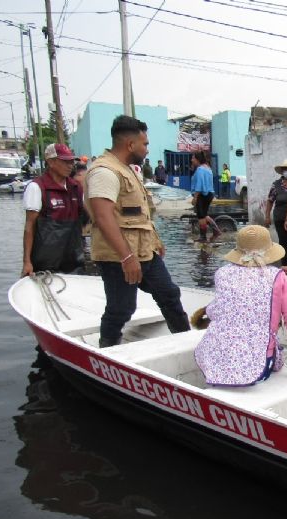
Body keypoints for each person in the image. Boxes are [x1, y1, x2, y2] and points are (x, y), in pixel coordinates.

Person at [86, 115, 190, 348]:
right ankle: (109, 350)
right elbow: (103, 217)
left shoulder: (128, 170)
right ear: (130, 145)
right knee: (121, 308)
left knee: (169, 294)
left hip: (145, 251)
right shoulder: (105, 171)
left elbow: (137, 214)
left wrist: (155, 240)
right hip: (118, 256)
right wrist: (126, 257)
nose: (146, 149)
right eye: (145, 144)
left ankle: (187, 342)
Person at [195, 225, 287, 386]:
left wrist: (277, 275)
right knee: (275, 353)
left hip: (213, 357)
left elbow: (215, 311)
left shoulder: (222, 273)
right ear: (269, 251)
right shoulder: (279, 277)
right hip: (257, 365)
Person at [21, 142, 86, 277]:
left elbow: (85, 218)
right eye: (65, 162)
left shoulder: (76, 188)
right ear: (51, 162)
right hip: (44, 263)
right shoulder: (37, 187)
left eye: (71, 162)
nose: (70, 166)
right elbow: (29, 226)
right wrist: (27, 261)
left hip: (73, 261)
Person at [265, 158, 287, 266]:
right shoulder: (276, 185)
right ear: (282, 171)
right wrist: (267, 217)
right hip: (280, 218)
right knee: (284, 241)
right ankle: (285, 265)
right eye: (286, 169)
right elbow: (270, 201)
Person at [190, 151, 221, 242]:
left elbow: (199, 185)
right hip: (209, 194)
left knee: (201, 216)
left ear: (197, 159)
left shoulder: (200, 170)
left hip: (202, 195)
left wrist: (195, 197)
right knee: (204, 214)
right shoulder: (208, 168)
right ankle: (216, 231)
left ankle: (203, 237)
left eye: (193, 158)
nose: (192, 160)